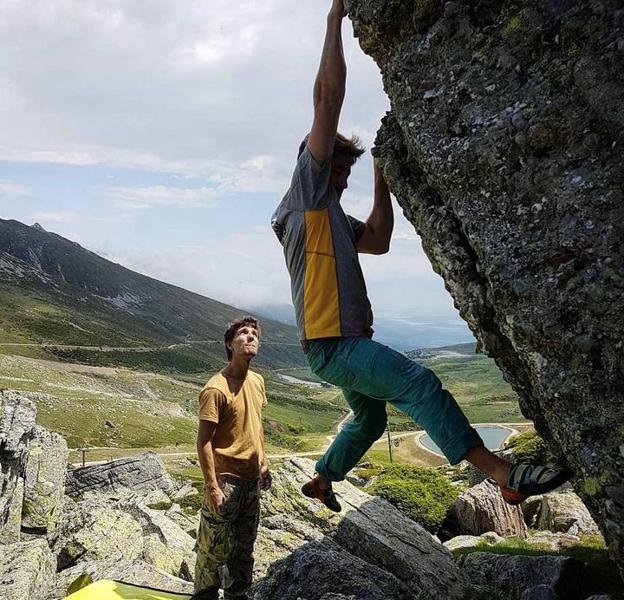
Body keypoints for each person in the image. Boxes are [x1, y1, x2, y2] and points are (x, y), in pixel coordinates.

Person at [271, 0, 572, 512]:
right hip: (334, 343)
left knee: (370, 420)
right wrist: (333, 20)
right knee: (418, 382)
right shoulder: (306, 193)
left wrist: (380, 177)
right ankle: (503, 474)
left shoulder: (331, 218)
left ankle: (323, 479)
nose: (339, 179)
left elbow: (381, 240)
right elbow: (327, 100)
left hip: (339, 343)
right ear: (313, 162)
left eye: (345, 173)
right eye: (336, 170)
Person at [194, 317, 271, 600]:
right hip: (226, 482)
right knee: (213, 549)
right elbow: (203, 441)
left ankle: (238, 595)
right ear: (230, 343)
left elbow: (257, 424)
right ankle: (204, 595)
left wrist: (263, 461)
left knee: (244, 549)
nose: (251, 337)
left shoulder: (258, 381)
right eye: (243, 333)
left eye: (254, 334)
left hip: (251, 482)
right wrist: (212, 487)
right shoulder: (216, 389)